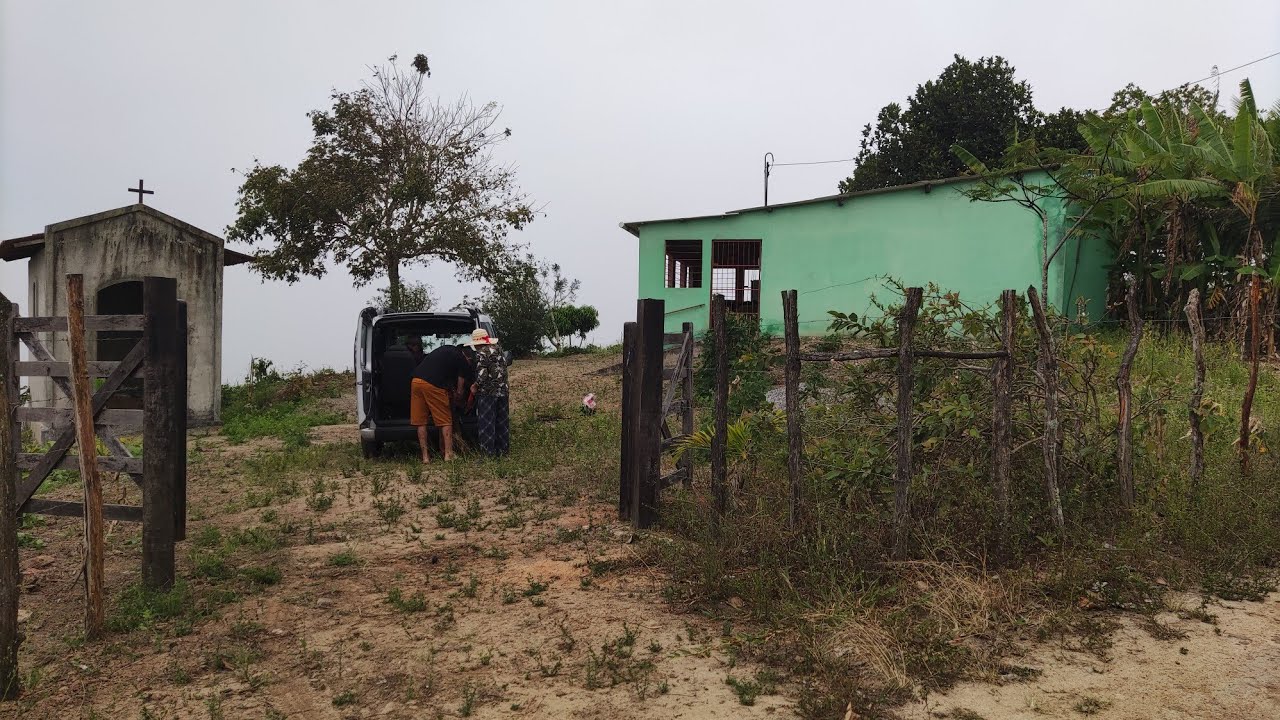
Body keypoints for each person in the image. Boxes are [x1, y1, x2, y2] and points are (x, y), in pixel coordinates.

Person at [409, 343, 474, 463]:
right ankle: (449, 454)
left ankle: (425, 457)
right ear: (468, 357)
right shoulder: (462, 359)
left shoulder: (446, 350)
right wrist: (459, 397)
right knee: (445, 421)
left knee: (421, 422)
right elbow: (460, 388)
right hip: (433, 384)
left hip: (416, 381)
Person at [465, 328, 510, 456]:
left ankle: (487, 453)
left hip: (488, 393)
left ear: (477, 343)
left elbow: (482, 374)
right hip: (503, 391)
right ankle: (503, 451)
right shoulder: (499, 350)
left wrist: (475, 386)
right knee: (502, 422)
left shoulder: (481, 353)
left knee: (487, 423)